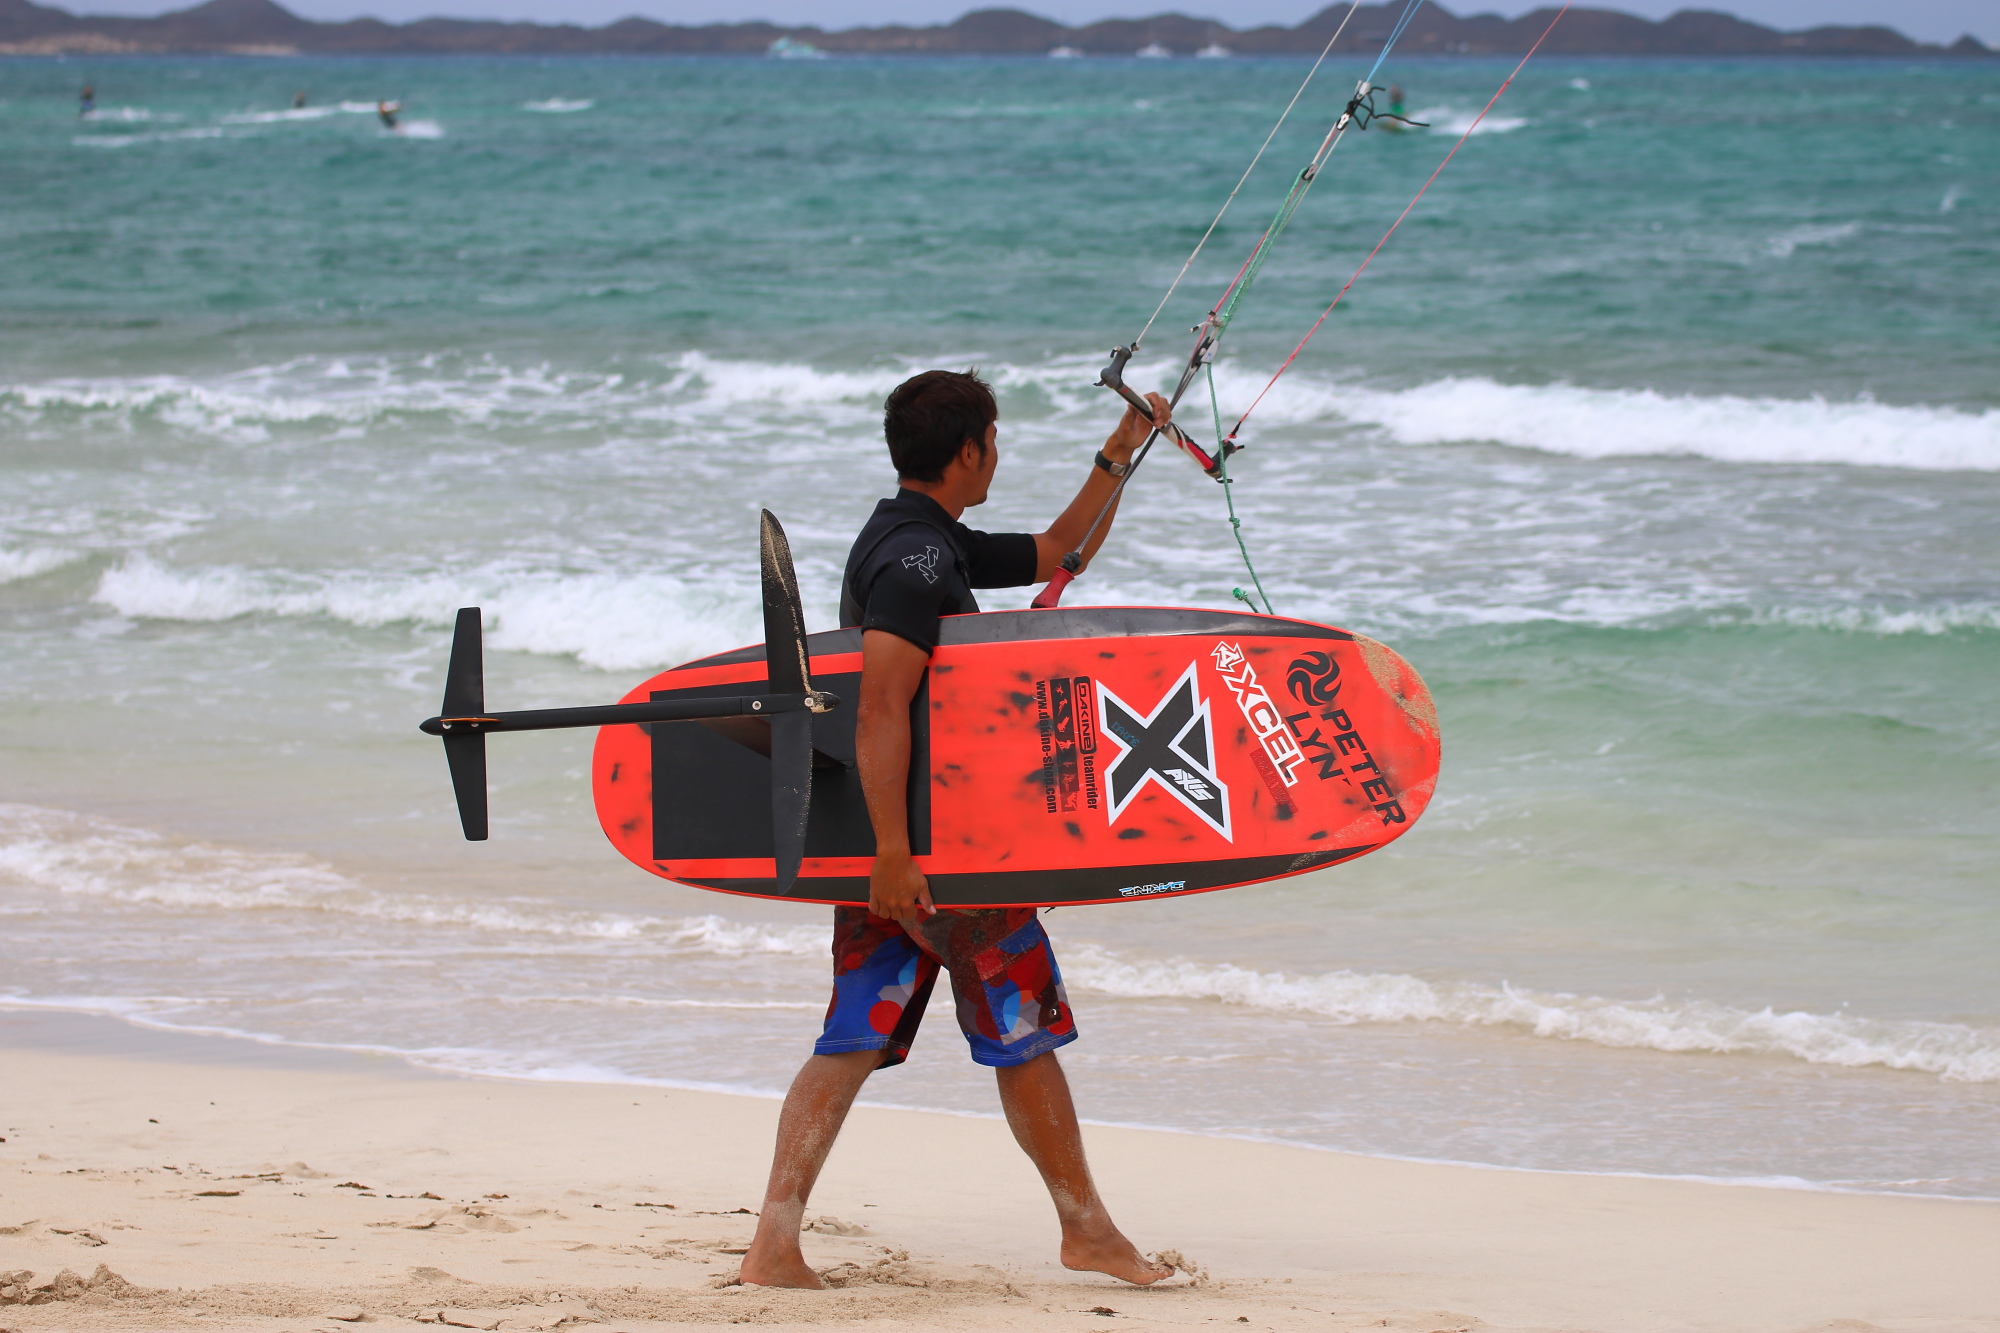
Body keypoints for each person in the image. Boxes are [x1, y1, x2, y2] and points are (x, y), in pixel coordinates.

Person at [738, 369, 1177, 1291]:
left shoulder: (922, 539)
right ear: (969, 449)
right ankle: (1086, 1229)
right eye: (995, 440)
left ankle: (773, 1243)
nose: (998, 454)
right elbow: (880, 706)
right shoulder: (915, 561)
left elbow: (1058, 549)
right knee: (1025, 1026)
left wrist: (1120, 450)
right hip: (934, 855)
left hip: (896, 843)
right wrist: (897, 857)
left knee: (855, 1036)